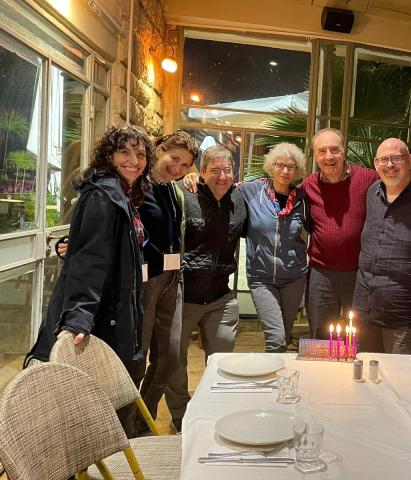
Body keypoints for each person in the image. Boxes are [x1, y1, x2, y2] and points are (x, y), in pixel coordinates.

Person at [25, 124, 152, 406]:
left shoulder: (123, 193)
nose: (134, 161)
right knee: (95, 401)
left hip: (118, 309)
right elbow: (90, 262)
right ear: (108, 155)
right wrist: (79, 315)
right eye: (124, 152)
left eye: (140, 154)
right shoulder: (104, 196)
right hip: (105, 315)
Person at [166, 145, 247, 432]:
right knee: (174, 361)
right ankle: (180, 415)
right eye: (215, 170)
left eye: (227, 170)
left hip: (221, 297)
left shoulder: (240, 198)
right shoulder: (183, 195)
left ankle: (214, 409)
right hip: (183, 295)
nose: (222, 176)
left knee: (222, 361)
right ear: (201, 172)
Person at [135, 130, 199, 434]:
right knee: (137, 357)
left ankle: (142, 419)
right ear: (158, 149)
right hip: (144, 282)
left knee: (170, 356)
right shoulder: (135, 186)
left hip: (172, 280)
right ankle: (126, 428)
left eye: (186, 165)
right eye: (175, 158)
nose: (179, 168)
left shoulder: (172, 190)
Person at [353, 138, 411, 353]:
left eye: (396, 159)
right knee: (364, 372)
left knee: (401, 380)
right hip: (365, 307)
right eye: (384, 159)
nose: (390, 165)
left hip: (405, 313)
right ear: (376, 164)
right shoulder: (372, 192)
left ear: (410, 160)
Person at [302, 128, 378, 339]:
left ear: (344, 151)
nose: (328, 156)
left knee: (360, 335)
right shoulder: (309, 185)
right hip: (321, 273)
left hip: (358, 272)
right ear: (315, 155)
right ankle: (321, 373)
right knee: (320, 334)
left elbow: (398, 179)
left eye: (334, 149)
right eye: (322, 151)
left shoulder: (369, 177)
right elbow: (280, 192)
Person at [238, 143, 311, 352]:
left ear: (298, 171)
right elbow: (220, 186)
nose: (285, 171)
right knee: (276, 338)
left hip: (294, 278)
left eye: (291, 166)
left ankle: (281, 380)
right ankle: (271, 382)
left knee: (284, 336)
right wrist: (192, 178)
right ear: (271, 166)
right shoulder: (250, 191)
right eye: (280, 165)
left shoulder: (303, 200)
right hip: (261, 277)